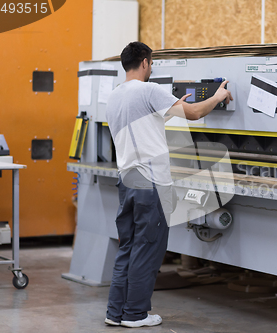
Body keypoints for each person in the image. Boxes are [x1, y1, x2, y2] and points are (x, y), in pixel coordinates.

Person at [104, 41, 232, 328]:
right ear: (146, 62)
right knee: (147, 249)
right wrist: (219, 95)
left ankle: (115, 312)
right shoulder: (150, 90)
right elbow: (197, 114)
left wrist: (173, 105)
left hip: (128, 183)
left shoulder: (114, 96)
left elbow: (145, 124)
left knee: (129, 246)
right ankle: (135, 315)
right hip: (151, 185)